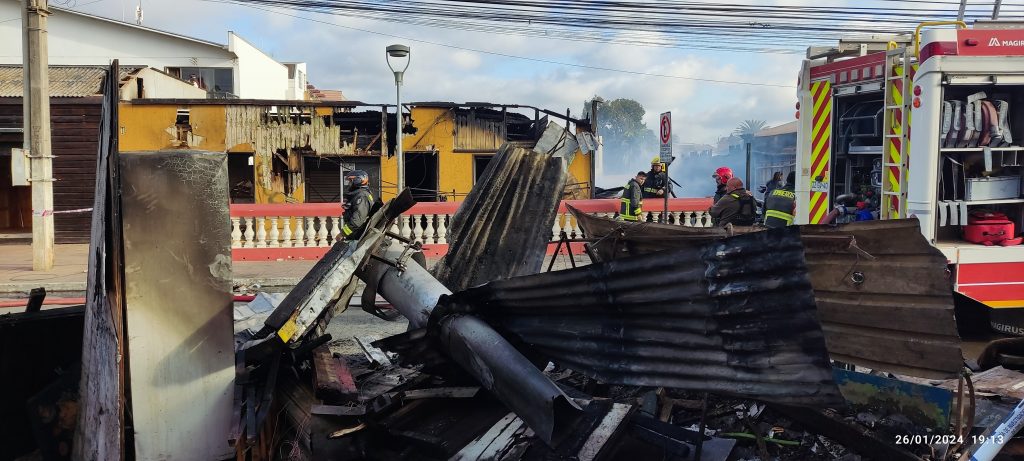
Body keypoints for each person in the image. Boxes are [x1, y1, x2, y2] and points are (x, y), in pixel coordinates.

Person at [340, 170, 375, 240]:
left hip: (358, 237)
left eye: (350, 181)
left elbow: (357, 220)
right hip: (356, 235)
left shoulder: (362, 196)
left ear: (358, 180)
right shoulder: (360, 194)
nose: (349, 184)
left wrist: (342, 234)